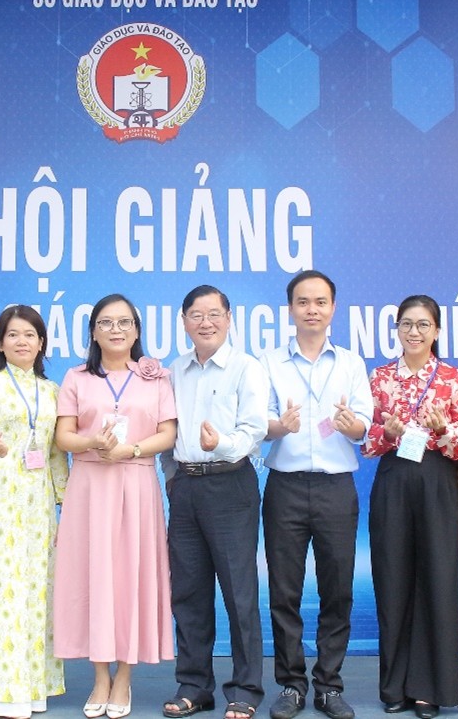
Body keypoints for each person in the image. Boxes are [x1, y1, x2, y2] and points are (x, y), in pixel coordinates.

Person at [53, 294, 178, 719]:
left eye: (125, 322)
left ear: (137, 330)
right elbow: (63, 437)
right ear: (93, 332)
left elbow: (168, 433)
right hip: (90, 485)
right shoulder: (76, 377)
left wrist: (131, 449)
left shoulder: (155, 378)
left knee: (130, 577)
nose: (116, 330)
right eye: (106, 323)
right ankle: (99, 676)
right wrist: (93, 442)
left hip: (137, 482)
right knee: (92, 577)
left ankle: (124, 676)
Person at [259, 271, 373, 719]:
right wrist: (278, 426)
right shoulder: (269, 362)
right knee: (284, 591)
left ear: (333, 308)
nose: (312, 309)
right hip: (285, 486)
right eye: (303, 302)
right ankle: (291, 684)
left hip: (335, 487)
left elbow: (365, 425)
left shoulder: (350, 363)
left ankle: (328, 685)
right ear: (290, 309)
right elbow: (259, 422)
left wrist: (353, 425)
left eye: (320, 302)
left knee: (337, 589)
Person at [363, 294, 458, 718]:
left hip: (437, 480)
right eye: (406, 324)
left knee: (437, 580)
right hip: (394, 479)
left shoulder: (453, 378)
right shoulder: (380, 378)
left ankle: (430, 688)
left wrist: (443, 428)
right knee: (392, 580)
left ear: (437, 331)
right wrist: (388, 433)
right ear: (396, 329)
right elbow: (367, 443)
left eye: (423, 325)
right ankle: (394, 686)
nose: (414, 332)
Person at [162, 286, 268, 719]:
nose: (205, 323)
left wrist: (219, 444)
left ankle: (246, 688)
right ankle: (194, 685)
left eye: (214, 314)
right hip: (186, 487)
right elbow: (167, 429)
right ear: (184, 321)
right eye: (196, 315)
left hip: (230, 484)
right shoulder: (175, 370)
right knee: (188, 592)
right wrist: (173, 478)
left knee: (239, 593)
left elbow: (255, 429)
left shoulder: (246, 368)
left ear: (228, 318)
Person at [0, 305, 69, 718]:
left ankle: (33, 688)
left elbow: (56, 453)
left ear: (41, 343)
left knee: (36, 590)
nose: (21, 341)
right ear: (0, 343)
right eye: (12, 335)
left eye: (29, 334)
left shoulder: (52, 390)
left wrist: (64, 500)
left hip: (39, 505)